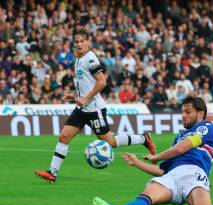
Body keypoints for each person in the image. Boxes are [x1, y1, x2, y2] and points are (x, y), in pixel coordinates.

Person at [93, 96, 213, 205]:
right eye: (182, 112)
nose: (183, 115)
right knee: (149, 194)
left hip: (194, 174)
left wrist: (157, 156)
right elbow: (163, 171)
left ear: (200, 114)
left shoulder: (206, 127)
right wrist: (137, 163)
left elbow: (181, 149)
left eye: (188, 112)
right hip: (172, 177)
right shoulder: (179, 137)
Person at [34, 29, 155, 183]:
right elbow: (86, 84)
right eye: (76, 41)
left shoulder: (90, 59)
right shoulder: (78, 58)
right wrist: (77, 98)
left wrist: (85, 99)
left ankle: (143, 138)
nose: (79, 44)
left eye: (81, 41)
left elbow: (102, 82)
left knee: (110, 142)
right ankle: (52, 173)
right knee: (64, 137)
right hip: (82, 108)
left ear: (88, 42)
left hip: (94, 109)